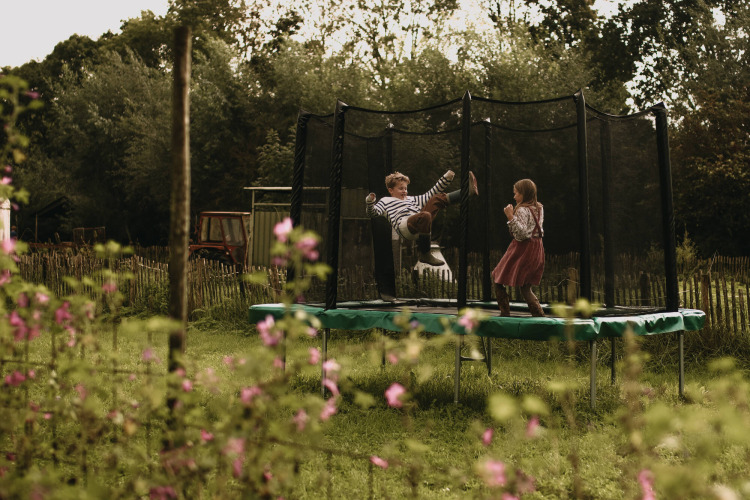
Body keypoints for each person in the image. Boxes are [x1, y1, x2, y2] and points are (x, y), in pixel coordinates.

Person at [366, 170, 478, 266]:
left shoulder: (412, 199)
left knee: (435, 199)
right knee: (425, 215)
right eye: (401, 189)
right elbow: (373, 213)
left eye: (405, 188)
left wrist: (446, 178)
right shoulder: (386, 201)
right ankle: (425, 253)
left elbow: (432, 192)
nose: (404, 191)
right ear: (391, 190)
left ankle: (466, 192)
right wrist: (370, 202)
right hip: (405, 226)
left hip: (420, 223)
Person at [491, 179, 545, 317]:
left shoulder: (522, 210)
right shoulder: (539, 207)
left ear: (524, 194)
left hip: (522, 249)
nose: (514, 197)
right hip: (537, 247)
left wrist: (510, 217)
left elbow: (522, 234)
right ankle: (539, 315)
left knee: (497, 277)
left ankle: (504, 313)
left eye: (517, 193)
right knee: (526, 287)